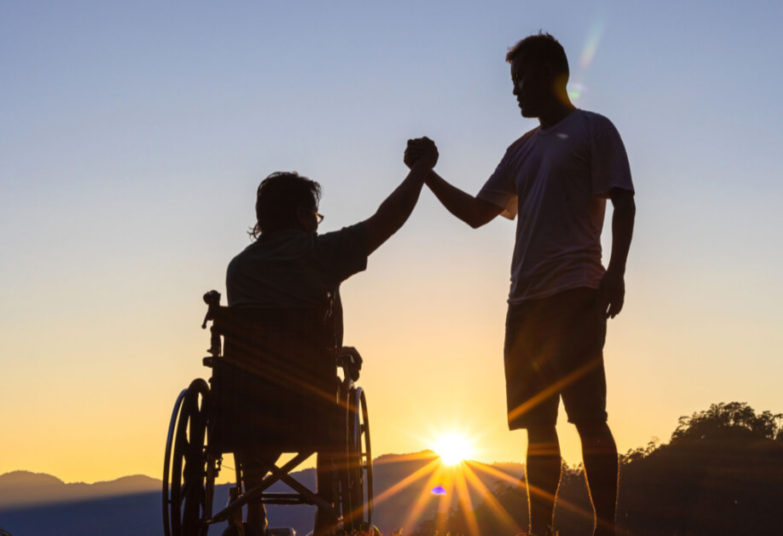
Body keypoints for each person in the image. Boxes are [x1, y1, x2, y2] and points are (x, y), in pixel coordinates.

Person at [408, 32, 635, 536]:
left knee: (588, 418)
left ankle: (606, 526)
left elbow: (625, 201)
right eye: (513, 82)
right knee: (537, 428)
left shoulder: (594, 130)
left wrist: (616, 272)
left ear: (554, 75)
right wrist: (426, 175)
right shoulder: (520, 151)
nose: (515, 91)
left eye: (523, 79)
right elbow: (474, 214)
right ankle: (541, 530)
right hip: (524, 301)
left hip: (576, 291)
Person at [224, 143, 436, 536]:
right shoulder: (321, 254)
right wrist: (420, 172)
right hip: (308, 402)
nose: (318, 223)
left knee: (252, 389)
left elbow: (271, 338)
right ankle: (327, 518)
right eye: (316, 216)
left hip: (245, 404)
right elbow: (387, 220)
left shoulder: (238, 269)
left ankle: (253, 511)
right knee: (333, 400)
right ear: (304, 216)